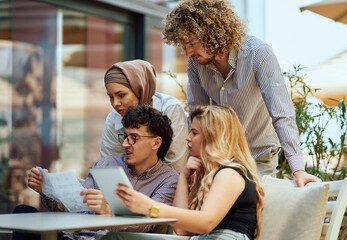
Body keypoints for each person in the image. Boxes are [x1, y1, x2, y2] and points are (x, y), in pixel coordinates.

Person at [162, 0, 320, 187]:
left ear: (212, 34)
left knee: (257, 213)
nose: (188, 52)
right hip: (221, 157)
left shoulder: (258, 53)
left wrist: (298, 170)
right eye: (183, 45)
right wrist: (196, 163)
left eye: (192, 43)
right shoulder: (196, 63)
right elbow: (198, 116)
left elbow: (281, 113)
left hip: (258, 156)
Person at [101, 105, 264, 240]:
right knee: (115, 237)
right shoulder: (209, 175)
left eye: (194, 132)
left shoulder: (230, 173)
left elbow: (206, 222)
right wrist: (183, 177)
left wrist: (151, 207)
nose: (187, 138)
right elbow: (181, 230)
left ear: (212, 137)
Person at [17, 105, 179, 240]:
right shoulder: (107, 163)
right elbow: (77, 209)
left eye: (133, 138)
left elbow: (147, 223)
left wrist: (109, 212)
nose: (125, 144)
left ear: (156, 143)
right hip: (75, 237)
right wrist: (47, 191)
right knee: (23, 212)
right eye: (125, 136)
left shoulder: (168, 179)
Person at [101, 60, 189, 172]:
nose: (115, 103)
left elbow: (176, 166)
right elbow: (109, 165)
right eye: (111, 97)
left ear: (140, 89)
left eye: (121, 95)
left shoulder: (170, 109)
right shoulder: (114, 117)